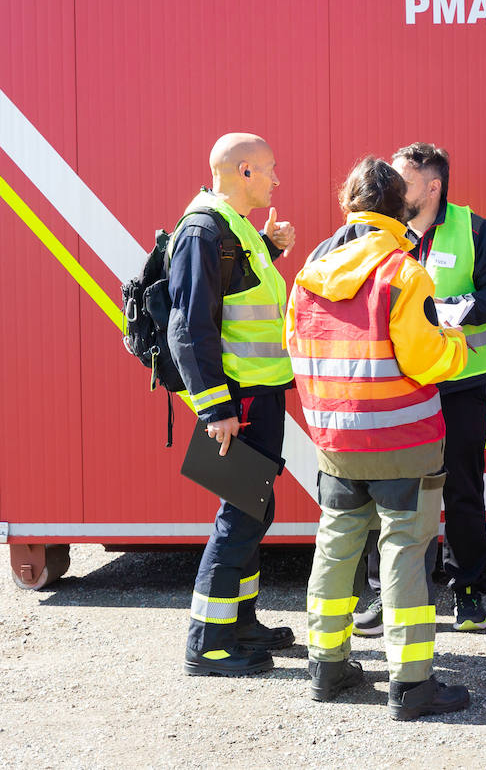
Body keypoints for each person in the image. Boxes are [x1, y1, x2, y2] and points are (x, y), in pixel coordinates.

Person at [286, 157, 473, 718]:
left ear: (349, 205)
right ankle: (412, 685)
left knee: (336, 544)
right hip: (401, 440)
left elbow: (296, 346)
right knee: (404, 551)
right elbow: (425, 359)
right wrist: (455, 340)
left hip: (336, 438)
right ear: (401, 208)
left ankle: (327, 665)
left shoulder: (311, 270)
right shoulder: (402, 271)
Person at [352, 142, 486, 635]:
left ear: (433, 186)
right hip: (395, 387)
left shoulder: (474, 229)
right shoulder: (379, 231)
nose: (395, 190)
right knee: (393, 494)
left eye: (404, 182)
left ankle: (467, 592)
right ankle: (388, 594)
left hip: (459, 384)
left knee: (462, 490)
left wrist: (460, 307)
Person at [168, 132, 297, 676]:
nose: (275, 178)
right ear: (243, 171)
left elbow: (237, 293)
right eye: (269, 169)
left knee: (254, 509)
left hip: (259, 393)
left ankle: (240, 622)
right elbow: (189, 326)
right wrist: (215, 407)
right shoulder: (203, 228)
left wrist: (270, 248)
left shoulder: (232, 225)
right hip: (236, 401)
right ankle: (209, 643)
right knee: (240, 513)